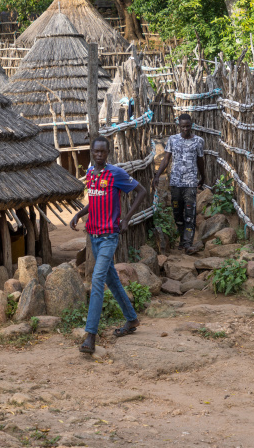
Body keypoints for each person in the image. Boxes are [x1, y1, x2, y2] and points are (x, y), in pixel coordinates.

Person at [70, 135, 147, 355]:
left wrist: (126, 219)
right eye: (96, 151)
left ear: (108, 153)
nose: (99, 155)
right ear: (91, 152)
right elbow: (93, 202)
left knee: (97, 279)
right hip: (94, 236)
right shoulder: (90, 174)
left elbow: (141, 192)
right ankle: (131, 320)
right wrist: (78, 214)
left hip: (109, 237)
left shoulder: (116, 174)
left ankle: (90, 336)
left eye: (103, 152)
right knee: (112, 280)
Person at [152, 114, 205, 252]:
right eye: (183, 126)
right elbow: (166, 159)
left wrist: (203, 177)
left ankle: (188, 243)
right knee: (177, 213)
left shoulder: (199, 141)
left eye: (188, 126)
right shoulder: (173, 140)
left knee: (190, 213)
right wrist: (157, 175)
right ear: (179, 126)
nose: (185, 129)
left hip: (190, 184)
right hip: (175, 182)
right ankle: (182, 239)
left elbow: (200, 161)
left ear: (191, 125)